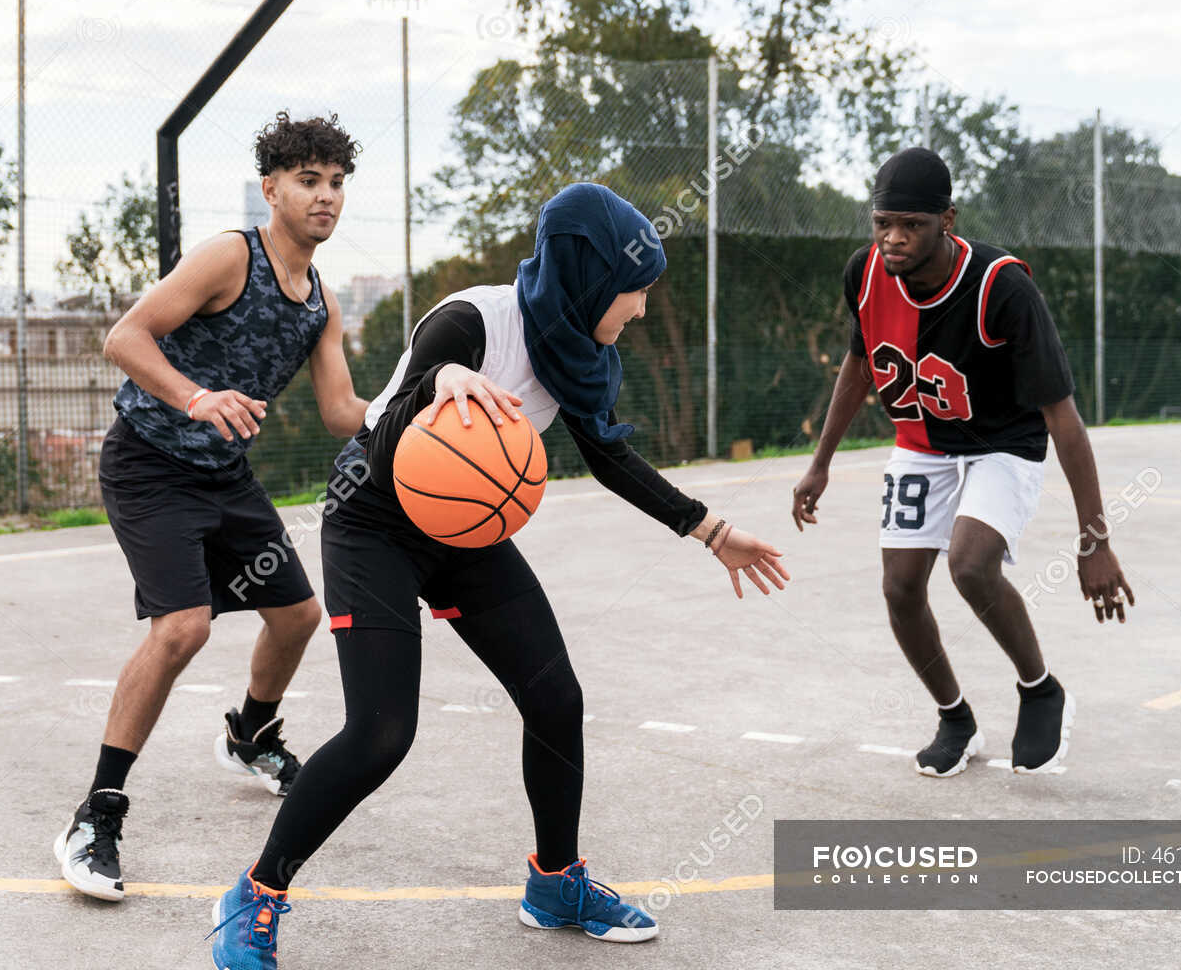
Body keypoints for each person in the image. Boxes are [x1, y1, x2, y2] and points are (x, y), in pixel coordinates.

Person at [209, 182, 788, 968]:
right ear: (589, 280)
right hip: (374, 518)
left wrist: (709, 529)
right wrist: (435, 388)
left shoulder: (579, 343)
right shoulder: (473, 321)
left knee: (555, 697)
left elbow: (607, 454)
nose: (643, 310)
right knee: (382, 732)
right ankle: (256, 894)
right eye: (636, 292)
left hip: (464, 531)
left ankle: (554, 883)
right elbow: (380, 446)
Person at [55, 113, 370, 901]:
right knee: (183, 628)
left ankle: (250, 737)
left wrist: (427, 398)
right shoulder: (232, 256)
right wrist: (196, 397)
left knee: (299, 616)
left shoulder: (320, 303)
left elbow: (342, 413)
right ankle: (95, 815)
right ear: (272, 189)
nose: (325, 196)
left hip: (223, 475)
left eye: (335, 182)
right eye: (308, 180)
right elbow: (126, 337)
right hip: (149, 464)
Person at [790, 147, 1134, 779]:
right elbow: (861, 361)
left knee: (970, 564)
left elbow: (1063, 418)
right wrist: (821, 463)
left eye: (911, 225)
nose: (893, 238)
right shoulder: (863, 274)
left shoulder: (1002, 287)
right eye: (882, 222)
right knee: (899, 589)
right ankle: (955, 717)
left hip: (1004, 442)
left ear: (947, 220)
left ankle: (1040, 688)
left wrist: (1095, 542)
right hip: (922, 442)